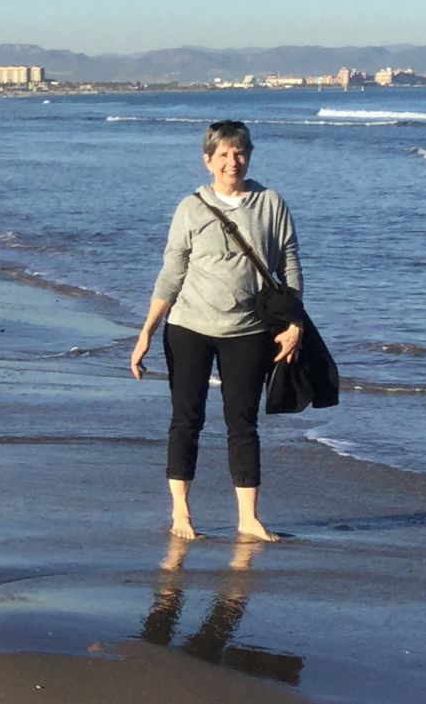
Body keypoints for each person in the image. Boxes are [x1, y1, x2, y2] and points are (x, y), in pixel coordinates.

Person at [129, 120, 302, 543]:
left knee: (243, 424)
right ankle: (181, 515)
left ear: (249, 155)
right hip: (189, 328)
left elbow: (290, 264)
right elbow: (172, 272)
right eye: (223, 154)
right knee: (186, 421)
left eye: (239, 152)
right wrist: (147, 331)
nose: (232, 161)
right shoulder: (190, 208)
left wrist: (295, 324)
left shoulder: (271, 203)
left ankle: (248, 518)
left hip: (248, 331)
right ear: (208, 161)